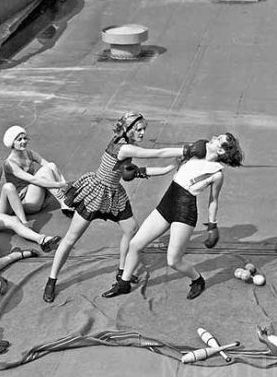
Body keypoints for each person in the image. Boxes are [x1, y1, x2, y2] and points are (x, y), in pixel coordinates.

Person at [42, 111, 188, 303]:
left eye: (144, 129)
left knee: (131, 229)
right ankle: (51, 280)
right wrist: (186, 150)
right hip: (96, 192)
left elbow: (138, 171)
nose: (143, 133)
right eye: (139, 129)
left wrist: (170, 167)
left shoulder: (122, 142)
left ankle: (122, 271)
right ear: (128, 130)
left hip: (113, 192)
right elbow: (156, 153)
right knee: (70, 238)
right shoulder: (125, 148)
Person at [102, 133, 244, 300]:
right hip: (167, 204)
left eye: (219, 139)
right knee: (134, 245)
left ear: (221, 151)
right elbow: (168, 166)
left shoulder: (217, 173)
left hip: (185, 212)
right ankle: (123, 284)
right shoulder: (194, 152)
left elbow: (213, 201)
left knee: (173, 261)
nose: (214, 137)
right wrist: (140, 172)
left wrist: (212, 225)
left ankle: (197, 280)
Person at [0, 145, 61, 254]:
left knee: (9, 186)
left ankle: (24, 222)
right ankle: (42, 239)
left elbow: (3, 190)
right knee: (13, 221)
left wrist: (27, 187)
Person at [2, 125, 73, 215]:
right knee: (44, 172)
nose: (23, 141)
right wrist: (56, 184)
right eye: (19, 139)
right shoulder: (9, 163)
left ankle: (64, 193)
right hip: (26, 202)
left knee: (51, 165)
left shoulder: (29, 153)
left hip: (36, 195)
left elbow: (49, 166)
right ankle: (64, 203)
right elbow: (33, 179)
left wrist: (62, 183)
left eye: (25, 138)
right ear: (12, 142)